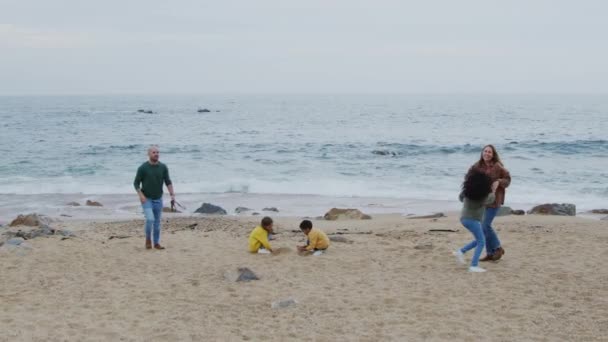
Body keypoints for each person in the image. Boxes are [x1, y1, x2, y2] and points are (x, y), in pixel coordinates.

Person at [467, 144, 511, 261]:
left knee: (485, 225)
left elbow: (508, 180)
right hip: (482, 201)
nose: (487, 153)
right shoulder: (477, 166)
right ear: (482, 153)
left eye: (489, 152)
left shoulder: (498, 166)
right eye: (485, 151)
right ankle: (490, 253)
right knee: (483, 227)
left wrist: (499, 182)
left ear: (493, 154)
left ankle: (497, 248)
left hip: (495, 200)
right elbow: (468, 177)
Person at [453, 170, 499, 272]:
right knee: (482, 241)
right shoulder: (481, 197)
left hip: (464, 218)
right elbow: (491, 199)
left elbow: (460, 198)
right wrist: (493, 190)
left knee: (479, 239)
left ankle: (461, 251)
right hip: (472, 220)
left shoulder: (467, 192)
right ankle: (473, 265)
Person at [133, 145, 175, 250]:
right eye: (154, 152)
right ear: (149, 154)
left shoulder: (163, 167)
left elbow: (168, 181)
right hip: (146, 199)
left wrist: (172, 195)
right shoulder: (143, 168)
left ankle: (156, 243)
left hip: (158, 199)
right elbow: (136, 183)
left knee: (157, 223)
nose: (156, 154)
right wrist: (140, 195)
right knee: (150, 219)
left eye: (157, 152)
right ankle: (148, 239)